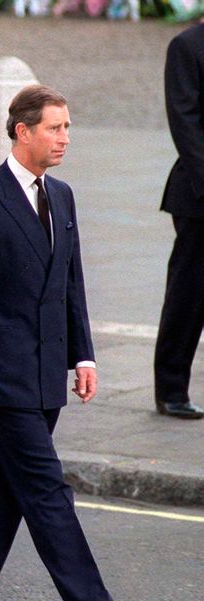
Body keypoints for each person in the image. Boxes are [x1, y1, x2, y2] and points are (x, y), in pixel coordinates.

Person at [0, 85, 135, 601]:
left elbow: (70, 282)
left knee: (0, 489)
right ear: (22, 131)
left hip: (48, 367)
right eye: (55, 128)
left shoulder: (64, 196)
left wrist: (82, 353)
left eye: (68, 128)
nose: (65, 138)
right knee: (46, 486)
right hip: (2, 376)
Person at [154, 21, 204, 419]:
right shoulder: (186, 46)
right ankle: (171, 388)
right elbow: (184, 120)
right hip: (198, 196)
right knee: (189, 296)